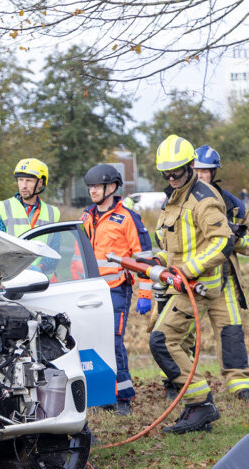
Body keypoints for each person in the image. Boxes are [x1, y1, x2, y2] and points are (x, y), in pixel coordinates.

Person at [148, 135, 246, 434]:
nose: (171, 177)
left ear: (190, 166)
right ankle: (198, 404)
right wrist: (157, 260)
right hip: (182, 284)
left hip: (199, 286)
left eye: (176, 171)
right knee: (167, 340)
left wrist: (188, 270)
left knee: (163, 341)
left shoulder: (203, 199)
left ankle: (202, 404)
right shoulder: (174, 197)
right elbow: (178, 245)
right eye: (165, 173)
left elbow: (223, 242)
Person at [81, 164, 153, 416]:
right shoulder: (85, 217)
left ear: (111, 187)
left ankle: (123, 397)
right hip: (89, 292)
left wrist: (145, 294)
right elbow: (78, 257)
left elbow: (144, 259)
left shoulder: (128, 218)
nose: (92, 191)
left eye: (97, 186)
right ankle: (102, 395)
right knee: (92, 342)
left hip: (116, 290)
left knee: (113, 342)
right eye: (90, 187)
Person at [0, 158, 61, 236]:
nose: (24, 186)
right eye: (20, 180)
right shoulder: (2, 208)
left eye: (29, 180)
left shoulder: (52, 213)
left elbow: (54, 243)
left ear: (40, 182)